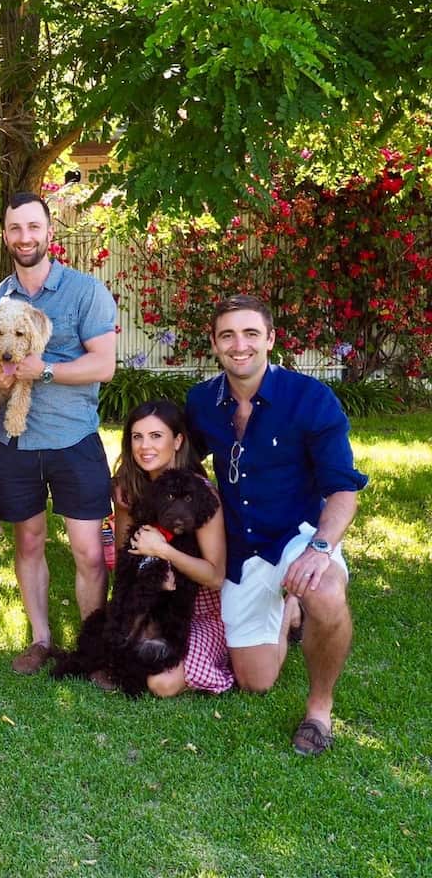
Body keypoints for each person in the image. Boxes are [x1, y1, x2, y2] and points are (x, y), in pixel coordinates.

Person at [185, 295, 367, 755]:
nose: (239, 345)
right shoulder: (203, 401)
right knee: (256, 682)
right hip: (241, 547)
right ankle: (289, 611)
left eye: (250, 334)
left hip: (298, 534)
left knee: (324, 590)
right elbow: (181, 461)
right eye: (227, 335)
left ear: (270, 339)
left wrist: (320, 549)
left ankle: (319, 708)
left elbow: (343, 490)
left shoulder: (311, 399)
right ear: (214, 344)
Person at [0, 191, 118, 675]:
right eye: (15, 228)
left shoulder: (84, 291)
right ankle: (39, 639)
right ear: (5, 235)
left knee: (88, 551)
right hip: (13, 446)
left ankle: (94, 647)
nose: (25, 237)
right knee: (29, 542)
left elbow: (105, 365)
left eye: (33, 227)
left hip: (74, 440)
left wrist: (46, 371)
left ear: (49, 232)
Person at [112, 400, 233, 696]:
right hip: (153, 603)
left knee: (162, 684)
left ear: (177, 441)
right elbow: (124, 558)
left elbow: (216, 576)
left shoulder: (199, 494)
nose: (144, 446)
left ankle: (285, 619)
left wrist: (165, 553)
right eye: (137, 437)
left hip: (202, 609)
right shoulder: (129, 489)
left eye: (156, 436)